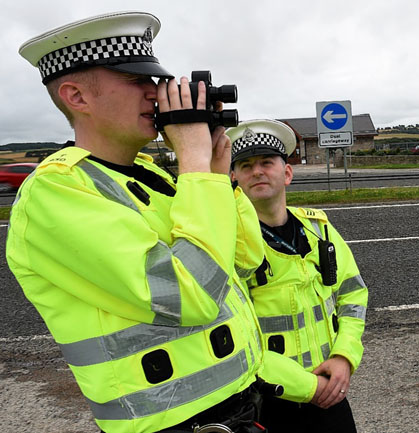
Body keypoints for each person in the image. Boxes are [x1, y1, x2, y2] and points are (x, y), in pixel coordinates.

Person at [9, 11, 272, 433]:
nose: (157, 94)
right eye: (138, 82)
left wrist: (217, 178)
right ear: (77, 97)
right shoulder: (57, 193)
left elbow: (245, 261)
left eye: (158, 82)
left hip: (239, 407)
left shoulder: (158, 177)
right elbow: (191, 297)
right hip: (169, 424)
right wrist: (193, 164)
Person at [228, 120, 368, 433]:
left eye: (266, 162)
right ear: (234, 178)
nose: (258, 171)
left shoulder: (319, 230)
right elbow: (233, 337)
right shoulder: (228, 245)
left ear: (287, 173)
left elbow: (353, 295)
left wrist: (345, 356)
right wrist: (308, 387)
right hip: (263, 404)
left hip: (329, 393)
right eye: (246, 165)